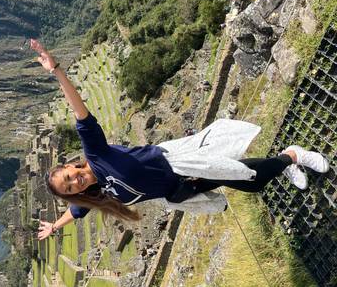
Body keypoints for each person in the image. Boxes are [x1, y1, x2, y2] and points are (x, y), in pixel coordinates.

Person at [29, 39, 330, 241]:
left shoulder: (95, 153)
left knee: (246, 174)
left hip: (181, 164)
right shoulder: (95, 196)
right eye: (69, 188)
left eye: (70, 177)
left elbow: (80, 112)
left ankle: (293, 156)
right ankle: (283, 163)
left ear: (72, 166)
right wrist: (55, 225)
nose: (75, 183)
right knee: (248, 180)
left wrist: (56, 71)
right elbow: (76, 209)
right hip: (181, 190)